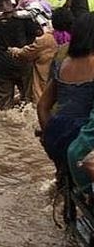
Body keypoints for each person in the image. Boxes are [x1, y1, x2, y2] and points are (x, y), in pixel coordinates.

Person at [38, 13, 94, 172]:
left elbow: (42, 105)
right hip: (84, 135)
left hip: (57, 133)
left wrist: (48, 133)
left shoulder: (63, 63)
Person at [0, 0, 36, 110]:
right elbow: (35, 37)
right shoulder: (22, 17)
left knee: (2, 107)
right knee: (28, 103)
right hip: (23, 64)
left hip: (2, 67)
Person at [9, 22, 58, 105]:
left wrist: (15, 51)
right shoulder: (75, 38)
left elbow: (27, 53)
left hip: (44, 85)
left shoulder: (46, 39)